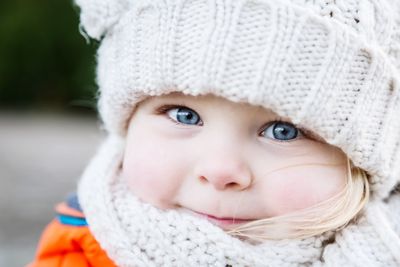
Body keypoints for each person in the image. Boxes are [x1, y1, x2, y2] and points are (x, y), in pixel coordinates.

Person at [29, 0, 400, 266]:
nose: (221, 171)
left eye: (283, 131)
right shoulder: (81, 251)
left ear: (365, 161)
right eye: (184, 115)